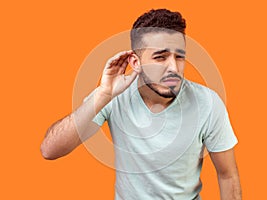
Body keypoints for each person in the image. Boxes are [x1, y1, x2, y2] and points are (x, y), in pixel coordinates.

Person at [41, 9, 242, 200]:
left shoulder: (208, 102)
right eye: (160, 57)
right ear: (136, 63)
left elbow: (227, 176)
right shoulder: (113, 96)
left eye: (179, 56)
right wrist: (103, 94)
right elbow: (50, 151)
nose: (173, 67)